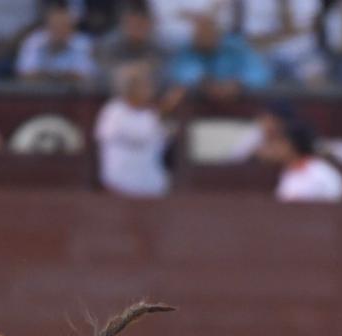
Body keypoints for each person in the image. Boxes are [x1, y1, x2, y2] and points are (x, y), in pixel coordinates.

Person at [94, 61, 178, 197]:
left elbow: (164, 143)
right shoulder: (114, 111)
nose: (150, 90)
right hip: (120, 187)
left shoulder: (152, 113)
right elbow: (139, 136)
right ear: (129, 88)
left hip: (152, 189)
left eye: (149, 85)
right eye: (144, 85)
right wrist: (164, 110)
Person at [166, 11, 271, 98]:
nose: (204, 35)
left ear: (217, 33)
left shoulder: (236, 47)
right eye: (200, 32)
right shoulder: (187, 50)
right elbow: (181, 75)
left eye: (209, 30)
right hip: (200, 101)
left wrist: (238, 84)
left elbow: (260, 75)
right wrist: (205, 85)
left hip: (239, 99)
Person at [241, 0, 325, 85]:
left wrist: (283, 34)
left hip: (304, 55)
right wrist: (290, 32)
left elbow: (315, 29)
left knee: (317, 81)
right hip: (266, 55)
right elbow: (254, 41)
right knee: (254, 79)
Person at [16, 0, 97, 83]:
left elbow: (86, 76)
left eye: (63, 26)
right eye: (55, 26)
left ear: (72, 27)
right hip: (39, 93)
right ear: (47, 26)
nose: (59, 31)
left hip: (75, 94)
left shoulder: (84, 44)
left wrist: (47, 75)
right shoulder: (34, 41)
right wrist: (62, 76)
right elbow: (25, 74)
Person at [270, 121, 342, 202]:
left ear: (292, 145)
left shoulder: (321, 173)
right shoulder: (288, 172)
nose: (274, 147)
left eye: (280, 142)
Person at [95, 1, 162, 78]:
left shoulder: (157, 45)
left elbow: (163, 74)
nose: (137, 29)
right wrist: (128, 71)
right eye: (133, 24)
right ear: (124, 23)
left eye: (140, 24)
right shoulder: (109, 45)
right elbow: (102, 75)